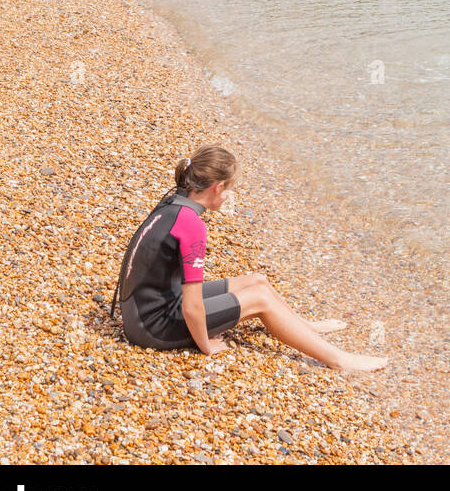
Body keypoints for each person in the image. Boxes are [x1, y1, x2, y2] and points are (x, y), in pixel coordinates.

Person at [111, 146, 388, 370]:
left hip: (144, 308)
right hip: (153, 327)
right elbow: (192, 307)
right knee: (259, 300)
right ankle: (338, 359)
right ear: (217, 187)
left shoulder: (174, 201)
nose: (230, 195)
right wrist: (206, 345)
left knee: (258, 281)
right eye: (229, 189)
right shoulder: (192, 225)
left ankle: (306, 327)